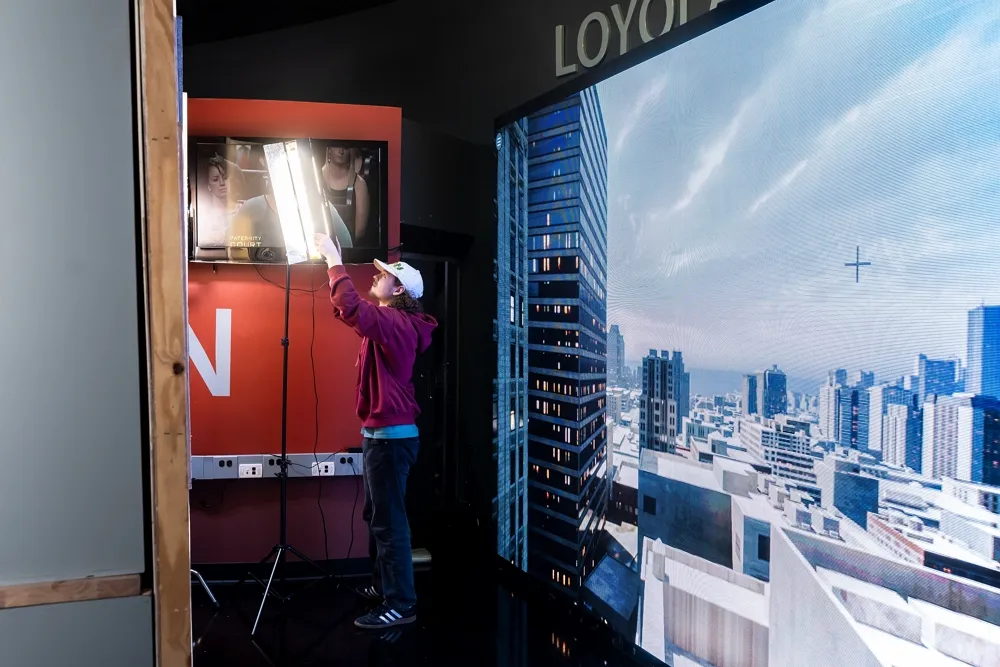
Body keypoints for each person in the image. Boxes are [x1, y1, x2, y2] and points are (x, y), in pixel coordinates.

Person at [314, 232, 437, 630]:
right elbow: (349, 311)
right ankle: (385, 588)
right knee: (379, 516)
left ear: (398, 288)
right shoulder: (391, 324)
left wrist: (334, 258)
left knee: (389, 521)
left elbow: (351, 305)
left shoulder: (397, 324)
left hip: (391, 440)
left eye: (382, 275)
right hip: (383, 438)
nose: (375, 277)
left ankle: (401, 604)